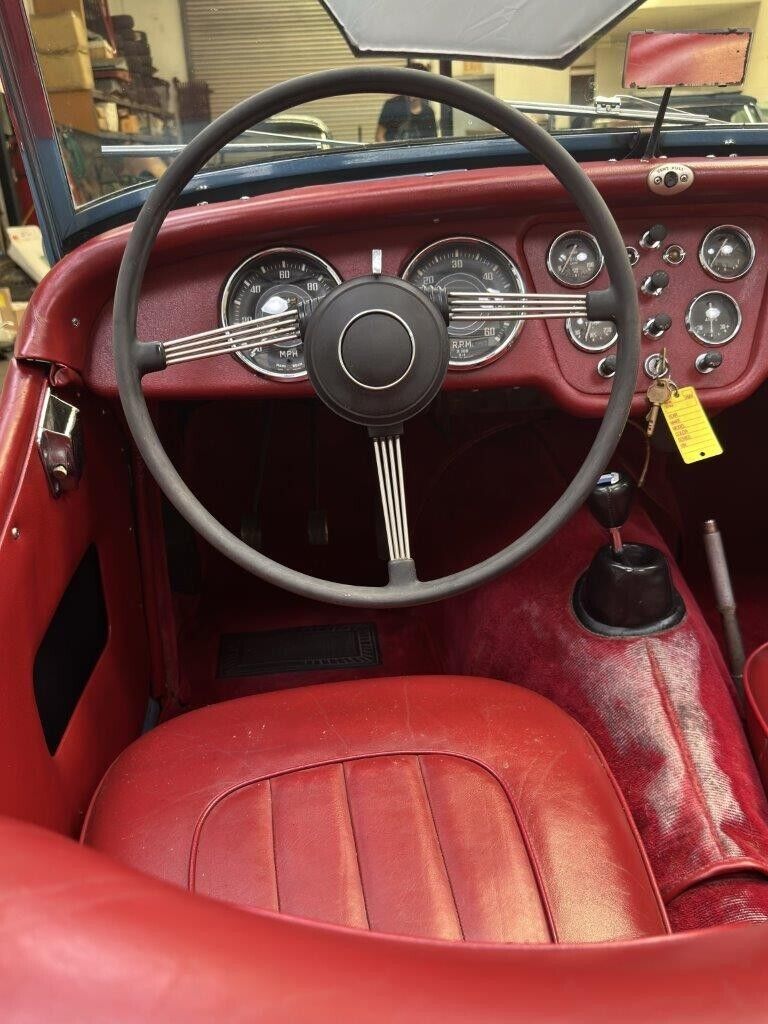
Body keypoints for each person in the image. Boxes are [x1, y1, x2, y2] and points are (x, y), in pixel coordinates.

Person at [375, 63, 438, 142]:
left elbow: (432, 142)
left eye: (418, 84)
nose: (413, 88)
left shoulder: (428, 112)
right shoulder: (392, 105)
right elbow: (379, 136)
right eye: (410, 83)